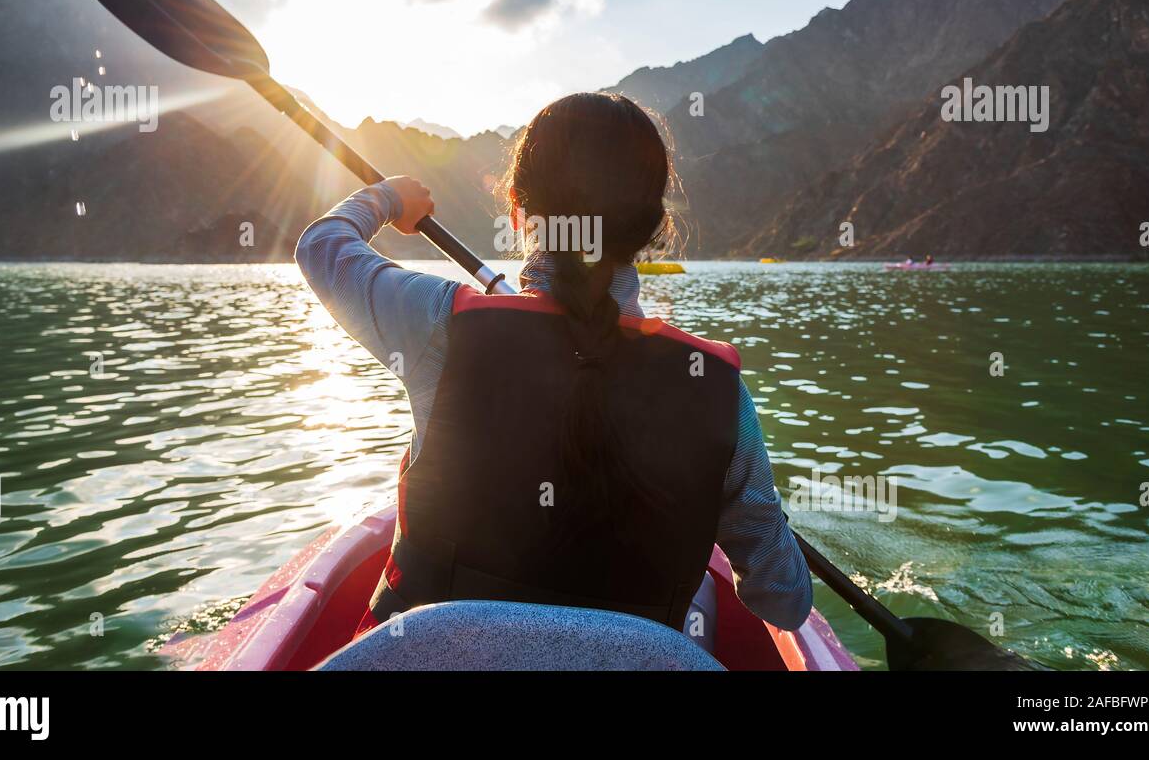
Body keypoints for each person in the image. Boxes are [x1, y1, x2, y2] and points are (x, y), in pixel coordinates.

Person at [295, 92, 812, 640]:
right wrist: (758, 516)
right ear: (655, 225)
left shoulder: (440, 324)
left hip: (427, 652)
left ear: (517, 210)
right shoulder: (717, 386)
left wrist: (386, 198)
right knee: (704, 594)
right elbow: (784, 603)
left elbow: (322, 247)